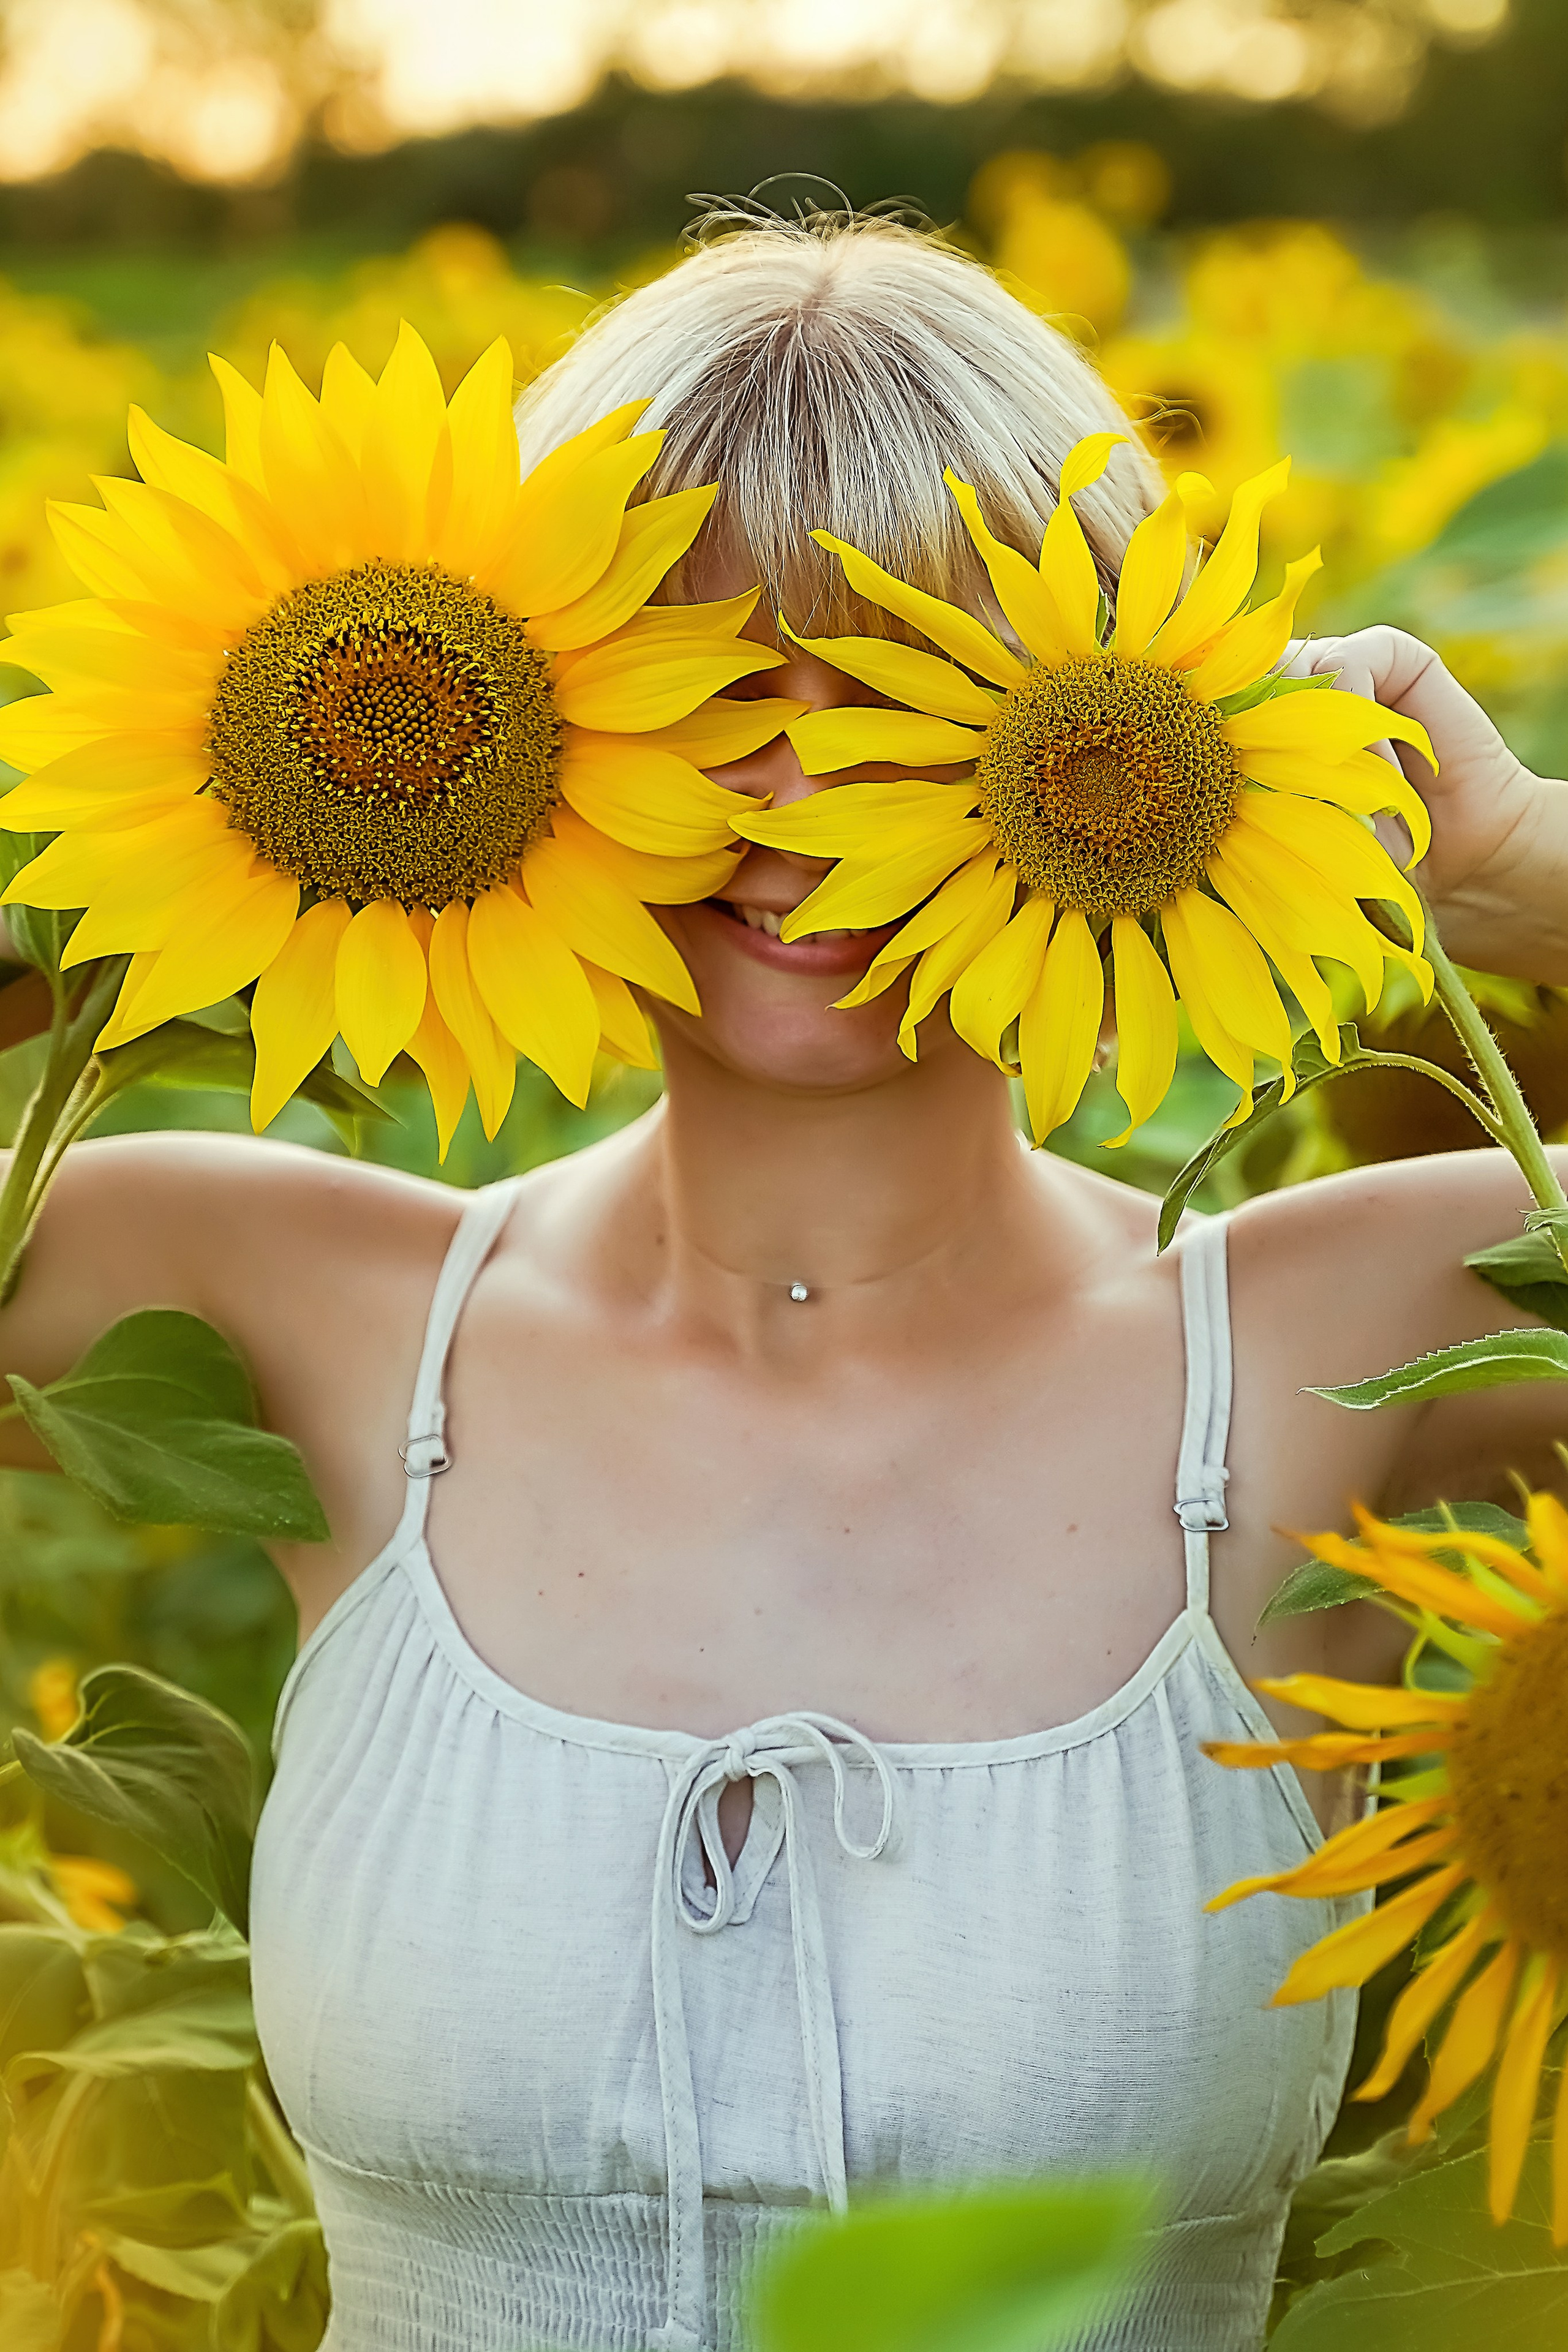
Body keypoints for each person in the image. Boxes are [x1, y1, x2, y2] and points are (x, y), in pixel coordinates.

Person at [4, 211, 1567, 2352]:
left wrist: (1519, 867)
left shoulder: (1327, 1338)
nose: (812, 792)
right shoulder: (292, 1291)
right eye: (708, 686)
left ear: (1118, 724)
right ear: (518, 703)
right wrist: (124, 854)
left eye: (938, 689)